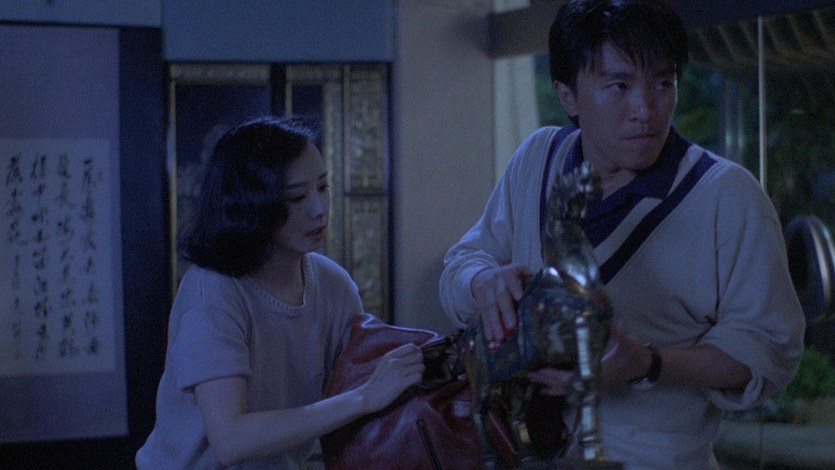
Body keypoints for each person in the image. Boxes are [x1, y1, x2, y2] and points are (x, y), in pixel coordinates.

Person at [439, 0, 805, 468]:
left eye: (663, 83)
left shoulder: (726, 195)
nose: (645, 110)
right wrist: (481, 281)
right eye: (619, 86)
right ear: (568, 95)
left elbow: (768, 350)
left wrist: (650, 364)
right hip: (523, 451)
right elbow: (465, 260)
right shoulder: (539, 158)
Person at [136, 116, 424, 469]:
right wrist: (363, 398)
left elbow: (364, 385)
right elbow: (231, 439)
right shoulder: (213, 290)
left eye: (323, 187)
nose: (319, 209)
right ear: (251, 203)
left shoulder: (334, 285)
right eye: (297, 197)